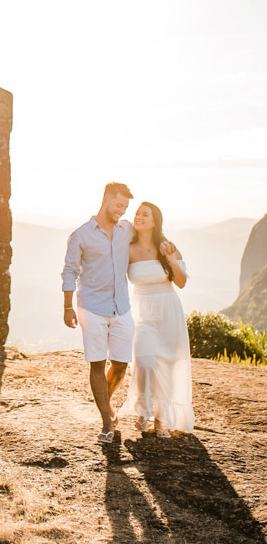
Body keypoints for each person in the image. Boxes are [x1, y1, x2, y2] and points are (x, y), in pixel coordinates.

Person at [61, 183, 135, 443]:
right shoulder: (80, 235)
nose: (121, 211)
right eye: (118, 206)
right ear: (105, 200)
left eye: (125, 208)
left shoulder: (127, 230)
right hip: (91, 307)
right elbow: (70, 271)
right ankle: (106, 422)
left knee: (121, 364)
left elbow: (150, 236)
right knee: (97, 362)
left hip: (122, 307)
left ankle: (107, 403)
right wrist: (67, 306)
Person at [118, 201, 194, 437]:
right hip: (141, 309)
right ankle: (143, 410)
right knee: (145, 360)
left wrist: (171, 260)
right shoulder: (127, 249)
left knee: (167, 364)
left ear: (155, 221)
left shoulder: (166, 246)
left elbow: (181, 282)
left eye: (145, 214)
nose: (139, 217)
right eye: (137, 213)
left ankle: (161, 419)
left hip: (168, 308)